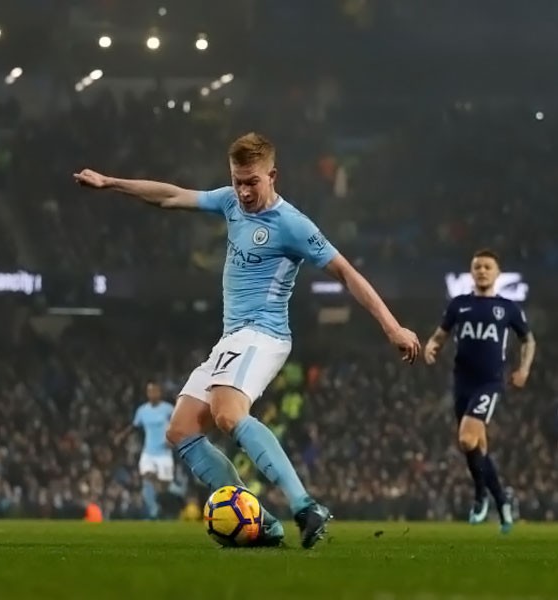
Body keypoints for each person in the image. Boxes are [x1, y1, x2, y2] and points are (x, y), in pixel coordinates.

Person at [74, 132, 420, 549]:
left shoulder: (293, 224)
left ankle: (306, 506)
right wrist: (111, 182)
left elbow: (347, 272)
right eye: (237, 180)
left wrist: (392, 327)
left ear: (272, 176)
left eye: (251, 181)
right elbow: (171, 196)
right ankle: (263, 524)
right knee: (180, 430)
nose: (242, 190)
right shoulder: (230, 202)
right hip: (232, 338)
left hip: (265, 332)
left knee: (226, 412)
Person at [423, 249, 535, 533]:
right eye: (477, 267)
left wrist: (524, 370)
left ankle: (479, 495)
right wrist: (432, 346)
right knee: (477, 448)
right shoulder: (459, 304)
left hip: (489, 383)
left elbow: (528, 340)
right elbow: (441, 334)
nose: (482, 271)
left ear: (497, 273)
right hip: (462, 382)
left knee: (465, 439)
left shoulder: (507, 308)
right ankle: (502, 502)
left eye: (487, 266)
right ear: (472, 272)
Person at [114, 382, 174, 519]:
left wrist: (173, 439)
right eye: (149, 391)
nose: (152, 394)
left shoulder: (168, 409)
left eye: (154, 391)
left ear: (160, 392)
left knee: (165, 487)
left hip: (164, 452)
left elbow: (178, 423)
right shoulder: (142, 410)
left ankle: (163, 508)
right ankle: (156, 504)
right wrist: (122, 436)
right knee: (146, 473)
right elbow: (134, 426)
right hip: (149, 451)